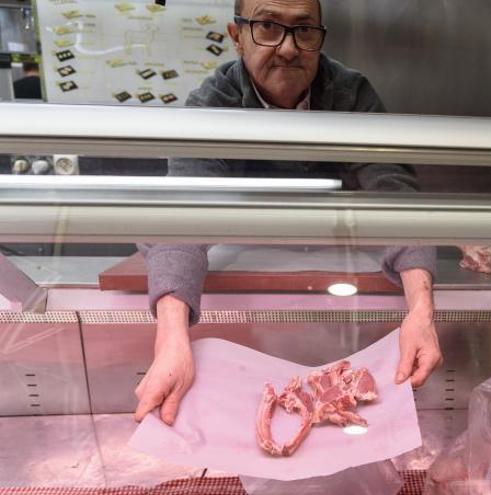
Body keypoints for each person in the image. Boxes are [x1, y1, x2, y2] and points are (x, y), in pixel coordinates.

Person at [134, 0, 443, 426]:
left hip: (339, 269)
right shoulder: (212, 102)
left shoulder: (349, 94)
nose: (287, 48)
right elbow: (187, 213)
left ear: (320, 37)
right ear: (236, 36)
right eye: (267, 27)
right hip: (239, 268)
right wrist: (171, 339)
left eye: (304, 30)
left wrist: (421, 312)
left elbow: (394, 194)